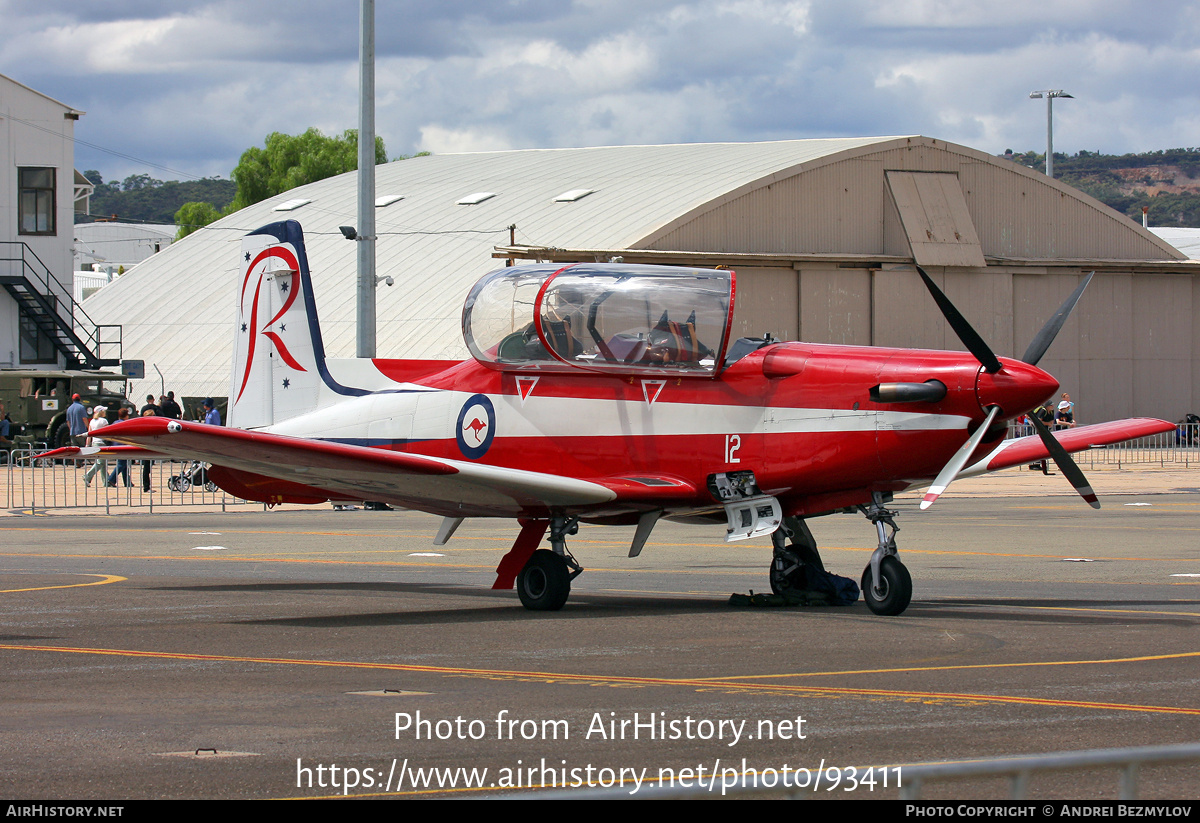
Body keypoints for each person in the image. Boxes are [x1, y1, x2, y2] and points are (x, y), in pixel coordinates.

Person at [106, 408, 133, 487]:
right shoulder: (126, 423)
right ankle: (111, 479)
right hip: (123, 445)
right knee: (121, 464)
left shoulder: (115, 423)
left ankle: (127, 482)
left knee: (124, 464)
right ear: (126, 416)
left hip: (115, 445)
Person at [83, 406, 109, 487]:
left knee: (103, 464)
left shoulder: (92, 422)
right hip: (101, 443)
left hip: (94, 443)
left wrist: (87, 444)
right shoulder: (104, 421)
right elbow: (107, 432)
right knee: (100, 462)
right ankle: (87, 476)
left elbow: (89, 434)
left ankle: (106, 482)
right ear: (101, 412)